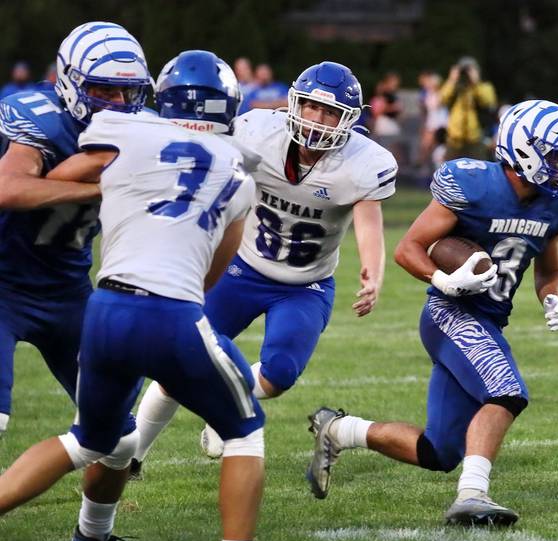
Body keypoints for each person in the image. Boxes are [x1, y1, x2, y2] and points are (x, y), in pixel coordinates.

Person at [0, 50, 265, 541]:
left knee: (89, 442)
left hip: (103, 308)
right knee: (245, 432)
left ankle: (91, 538)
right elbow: (213, 272)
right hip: (171, 312)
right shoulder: (239, 169)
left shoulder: (124, 134)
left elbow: (67, 179)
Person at [306, 100, 558, 526]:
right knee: (507, 392)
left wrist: (553, 296)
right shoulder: (474, 185)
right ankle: (473, 496)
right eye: (555, 155)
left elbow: (550, 267)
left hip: (490, 319)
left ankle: (339, 430)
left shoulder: (557, 204)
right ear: (524, 149)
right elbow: (408, 248)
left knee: (437, 451)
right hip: (450, 312)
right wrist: (444, 281)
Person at [131, 60, 397, 470]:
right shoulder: (257, 131)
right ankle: (133, 456)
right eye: (312, 107)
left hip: (304, 284)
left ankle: (222, 407)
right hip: (242, 267)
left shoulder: (361, 162)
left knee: (279, 374)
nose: (318, 119)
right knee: (177, 357)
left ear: (348, 119)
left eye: (330, 112)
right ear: (295, 104)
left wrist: (373, 272)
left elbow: (368, 222)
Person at [0, 21, 150, 541]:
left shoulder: (143, 129)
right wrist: (97, 185)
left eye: (126, 91)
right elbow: (10, 187)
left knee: (120, 439)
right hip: (3, 287)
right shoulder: (37, 114)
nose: (115, 102)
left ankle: (92, 536)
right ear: (68, 82)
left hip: (68, 291)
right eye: (102, 89)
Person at [439, 56, 497, 161]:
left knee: (478, 172)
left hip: (475, 139)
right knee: (450, 172)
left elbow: (488, 101)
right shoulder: (454, 87)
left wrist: (476, 82)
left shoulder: (484, 86)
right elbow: (441, 99)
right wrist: (452, 80)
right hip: (454, 140)